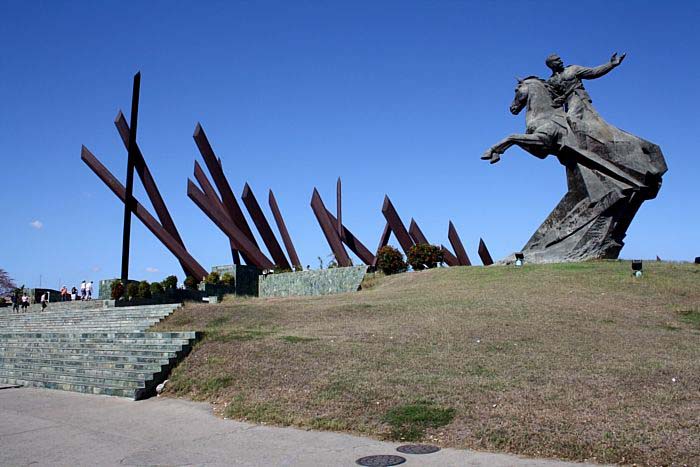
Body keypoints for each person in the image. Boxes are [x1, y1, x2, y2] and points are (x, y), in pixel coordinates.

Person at [544, 52, 626, 121]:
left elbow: (593, 72)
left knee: (571, 118)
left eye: (560, 59)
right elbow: (552, 98)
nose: (561, 61)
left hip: (578, 98)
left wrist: (611, 64)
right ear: (551, 64)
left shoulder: (573, 69)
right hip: (567, 104)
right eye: (557, 60)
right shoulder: (551, 80)